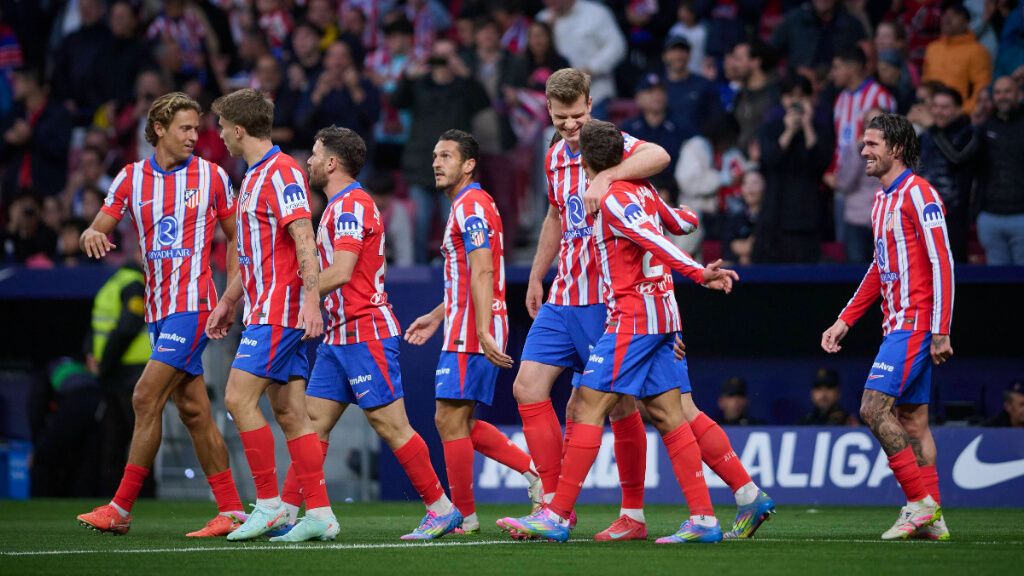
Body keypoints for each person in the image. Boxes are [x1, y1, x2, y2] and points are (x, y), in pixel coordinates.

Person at [498, 120, 766, 544]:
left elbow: (652, 238)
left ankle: (557, 513)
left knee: (587, 403)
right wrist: (689, 218)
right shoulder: (644, 190)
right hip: (661, 314)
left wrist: (698, 273)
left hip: (633, 316)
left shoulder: (616, 198)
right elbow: (677, 222)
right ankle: (704, 518)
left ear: (586, 161)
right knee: (669, 412)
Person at [271, 125, 461, 541]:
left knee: (389, 424)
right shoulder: (340, 206)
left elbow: (341, 271)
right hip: (339, 335)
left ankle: (441, 508)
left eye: (316, 154)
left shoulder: (351, 205)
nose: (309, 161)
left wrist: (290, 295)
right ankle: (286, 512)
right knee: (312, 423)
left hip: (365, 331)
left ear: (332, 163)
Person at [75, 92, 244, 537]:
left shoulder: (211, 176)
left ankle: (121, 508)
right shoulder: (130, 178)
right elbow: (99, 224)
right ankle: (232, 511)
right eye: (186, 128)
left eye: (197, 128)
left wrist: (229, 295)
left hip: (195, 303)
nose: (195, 135)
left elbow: (236, 240)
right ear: (159, 131)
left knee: (145, 397)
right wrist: (91, 234)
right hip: (159, 310)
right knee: (193, 411)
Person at [515, 68, 673, 541]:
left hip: (606, 299)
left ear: (590, 102)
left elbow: (661, 155)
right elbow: (553, 216)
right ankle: (551, 502)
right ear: (548, 108)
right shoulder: (552, 157)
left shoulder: (611, 143)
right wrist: (536, 274)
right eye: (561, 117)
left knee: (622, 406)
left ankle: (633, 514)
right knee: (527, 387)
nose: (569, 126)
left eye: (577, 115)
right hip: (563, 295)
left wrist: (608, 176)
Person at [207, 88, 338, 543]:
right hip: (265, 307)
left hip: (281, 311)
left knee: (238, 399)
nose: (219, 134)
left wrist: (309, 299)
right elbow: (255, 255)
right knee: (290, 413)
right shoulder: (253, 178)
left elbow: (305, 235)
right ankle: (318, 512)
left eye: (222, 126)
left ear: (239, 130)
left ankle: (266, 504)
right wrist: (229, 300)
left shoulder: (280, 172)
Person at [822, 113, 954, 541]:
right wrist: (845, 319)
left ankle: (919, 504)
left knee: (872, 408)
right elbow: (879, 270)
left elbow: (943, 263)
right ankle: (933, 522)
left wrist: (941, 328)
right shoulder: (881, 200)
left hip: (916, 324)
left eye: (872, 144)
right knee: (913, 421)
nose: (863, 152)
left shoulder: (920, 194)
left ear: (896, 148)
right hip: (895, 323)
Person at [404, 130, 541, 535]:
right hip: (465, 322)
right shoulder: (471, 205)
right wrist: (437, 315)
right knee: (455, 421)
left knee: (449, 419)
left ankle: (463, 514)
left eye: (446, 155)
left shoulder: (471, 205)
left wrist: (481, 328)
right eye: (434, 155)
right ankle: (531, 475)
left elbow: (483, 268)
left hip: (473, 328)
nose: (436, 162)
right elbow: (468, 276)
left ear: (468, 165)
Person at [89, 251, 149, 495]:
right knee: (135, 437)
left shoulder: (116, 282)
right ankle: (128, 496)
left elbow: (123, 326)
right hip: (126, 371)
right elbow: (126, 326)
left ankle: (120, 496)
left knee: (120, 439)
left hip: (125, 372)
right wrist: (103, 364)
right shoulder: (132, 282)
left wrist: (101, 362)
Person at [757, 75, 834, 263]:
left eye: (800, 97)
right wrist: (789, 131)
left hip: (807, 214)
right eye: (790, 97)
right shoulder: (771, 128)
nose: (795, 103)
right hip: (775, 212)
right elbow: (768, 160)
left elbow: (821, 162)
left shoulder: (820, 128)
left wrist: (807, 126)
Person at [918, 85, 978, 262]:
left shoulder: (970, 134)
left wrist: (933, 129)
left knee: (951, 270)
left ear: (958, 110)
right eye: (935, 106)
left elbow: (956, 157)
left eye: (945, 107)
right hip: (924, 213)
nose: (938, 111)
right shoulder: (927, 135)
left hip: (953, 216)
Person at [535, 0, 625, 120]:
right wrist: (546, 34)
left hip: (593, 95)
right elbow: (532, 55)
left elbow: (617, 47)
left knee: (591, 137)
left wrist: (591, 68)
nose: (550, 3)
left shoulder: (596, 13)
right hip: (553, 99)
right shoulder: (543, 18)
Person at [976, 76, 1024, 265]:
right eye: (998, 92)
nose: (1002, 96)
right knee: (997, 286)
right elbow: (964, 158)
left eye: (1007, 91)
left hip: (1021, 215)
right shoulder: (984, 126)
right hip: (990, 216)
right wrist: (975, 126)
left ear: (1018, 94)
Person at [922, 2, 992, 114]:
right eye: (945, 14)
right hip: (930, 112)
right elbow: (925, 83)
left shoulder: (977, 51)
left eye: (955, 15)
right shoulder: (933, 48)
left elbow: (981, 87)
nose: (947, 18)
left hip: (958, 115)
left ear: (966, 22)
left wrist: (964, 111)